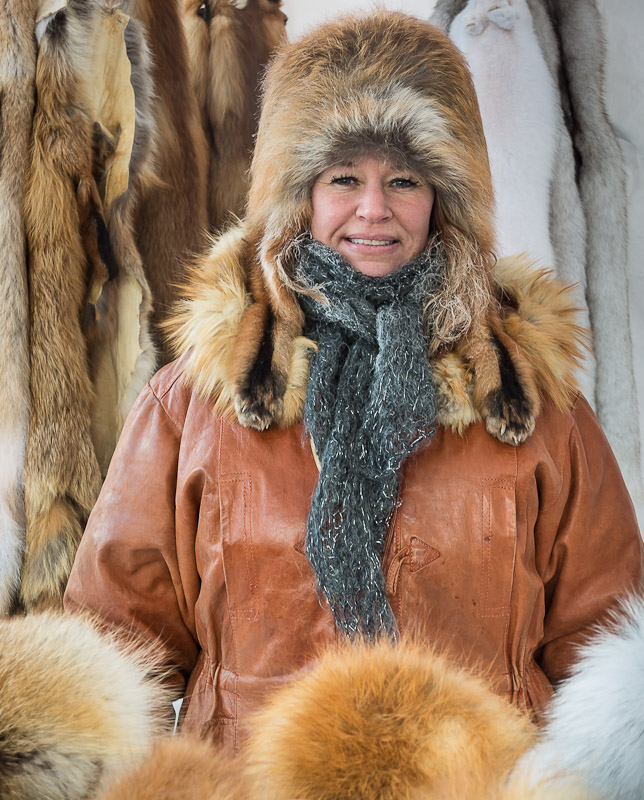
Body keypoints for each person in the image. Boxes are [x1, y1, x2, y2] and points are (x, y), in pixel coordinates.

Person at [64, 10, 643, 754]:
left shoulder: (528, 402)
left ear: (443, 198)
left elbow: (604, 651)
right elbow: (115, 653)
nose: (374, 210)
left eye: (404, 179)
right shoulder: (195, 402)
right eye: (344, 179)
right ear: (299, 194)